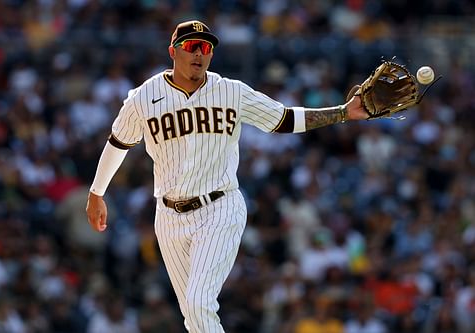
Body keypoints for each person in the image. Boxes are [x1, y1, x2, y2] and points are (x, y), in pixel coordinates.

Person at [86, 20, 368, 333]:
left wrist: (344, 112)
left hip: (219, 207)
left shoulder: (230, 92)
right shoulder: (144, 97)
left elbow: (284, 119)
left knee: (198, 304)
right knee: (194, 319)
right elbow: (118, 142)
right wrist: (96, 193)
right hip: (168, 216)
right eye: (191, 46)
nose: (199, 53)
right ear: (173, 51)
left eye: (206, 47)